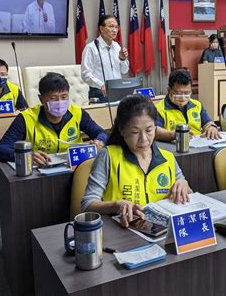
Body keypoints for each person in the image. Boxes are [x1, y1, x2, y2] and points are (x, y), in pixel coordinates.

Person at [81, 95, 192, 227]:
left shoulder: (167, 158)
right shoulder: (108, 156)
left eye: (149, 130)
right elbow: (87, 205)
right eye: (135, 132)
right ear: (122, 130)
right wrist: (116, 205)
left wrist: (183, 183)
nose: (144, 139)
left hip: (160, 231)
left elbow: (188, 192)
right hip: (121, 232)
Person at [0, 72, 108, 166]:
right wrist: (27, 156)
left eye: (64, 97)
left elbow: (102, 133)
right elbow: (0, 150)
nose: (60, 102)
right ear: (41, 99)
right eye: (53, 98)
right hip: (41, 172)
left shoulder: (78, 113)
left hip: (74, 168)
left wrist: (100, 141)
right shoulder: (26, 118)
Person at [155, 69, 221, 141]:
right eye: (178, 93)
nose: (183, 97)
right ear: (169, 90)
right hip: (173, 145)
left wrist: (211, 127)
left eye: (187, 93)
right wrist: (173, 135)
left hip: (197, 144)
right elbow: (155, 131)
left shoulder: (196, 105)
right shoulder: (159, 108)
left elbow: (207, 122)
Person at [81, 14, 130, 102]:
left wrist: (122, 58)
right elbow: (86, 74)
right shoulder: (91, 48)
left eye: (116, 27)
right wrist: (101, 85)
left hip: (118, 91)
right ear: (101, 28)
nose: (114, 30)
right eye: (111, 26)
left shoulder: (117, 46)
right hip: (99, 92)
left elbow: (124, 70)